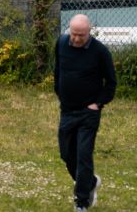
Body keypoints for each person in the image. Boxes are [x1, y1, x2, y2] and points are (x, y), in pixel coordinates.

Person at [54, 14, 117, 211]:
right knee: (66, 154)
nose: (77, 38)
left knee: (83, 155)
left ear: (89, 31)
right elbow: (57, 70)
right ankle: (89, 183)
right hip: (67, 110)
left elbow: (111, 83)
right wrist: (59, 91)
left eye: (81, 35)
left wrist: (98, 103)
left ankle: (81, 202)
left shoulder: (100, 52)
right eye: (74, 34)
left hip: (88, 113)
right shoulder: (61, 43)